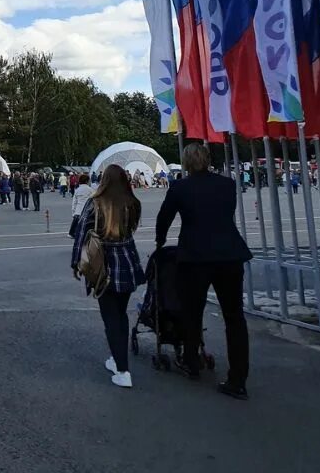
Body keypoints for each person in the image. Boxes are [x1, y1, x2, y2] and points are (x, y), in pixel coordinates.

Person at [156, 143, 252, 400]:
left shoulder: (180, 187)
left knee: (191, 311)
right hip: (230, 254)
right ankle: (238, 377)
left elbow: (164, 217)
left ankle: (191, 361)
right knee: (234, 317)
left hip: (195, 256)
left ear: (186, 163)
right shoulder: (227, 185)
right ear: (208, 160)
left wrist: (159, 240)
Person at [71, 164, 146, 389]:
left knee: (110, 318)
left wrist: (76, 262)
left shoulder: (94, 203)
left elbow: (81, 233)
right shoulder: (132, 203)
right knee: (120, 315)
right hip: (127, 263)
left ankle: (123, 370)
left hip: (103, 264)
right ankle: (117, 358)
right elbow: (132, 230)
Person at [68, 173, 94, 238]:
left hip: (78, 211)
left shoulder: (77, 190)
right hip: (87, 211)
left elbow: (74, 202)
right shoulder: (91, 190)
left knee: (74, 229)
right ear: (87, 181)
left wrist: (73, 212)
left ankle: (72, 233)